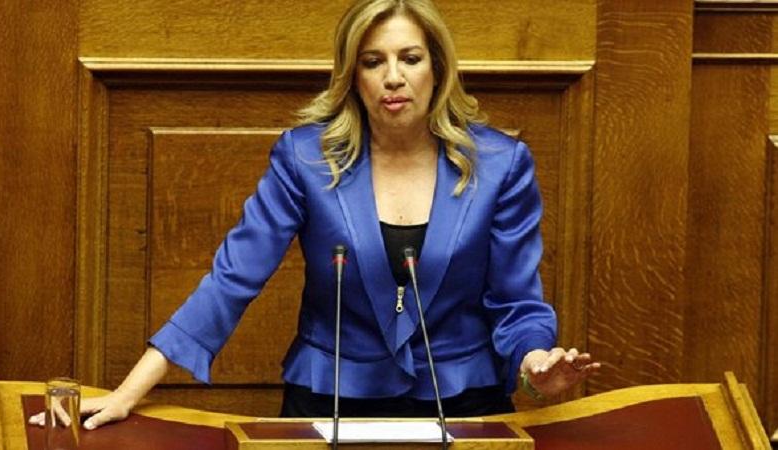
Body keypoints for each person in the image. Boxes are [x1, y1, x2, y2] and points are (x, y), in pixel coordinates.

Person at [31, 0, 599, 430]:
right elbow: (232, 279)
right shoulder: (305, 159)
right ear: (353, 75)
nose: (393, 76)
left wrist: (535, 363)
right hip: (329, 398)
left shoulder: (500, 165)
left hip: (464, 400)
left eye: (410, 58)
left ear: (438, 68)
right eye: (373, 61)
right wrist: (129, 391)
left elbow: (516, 300)